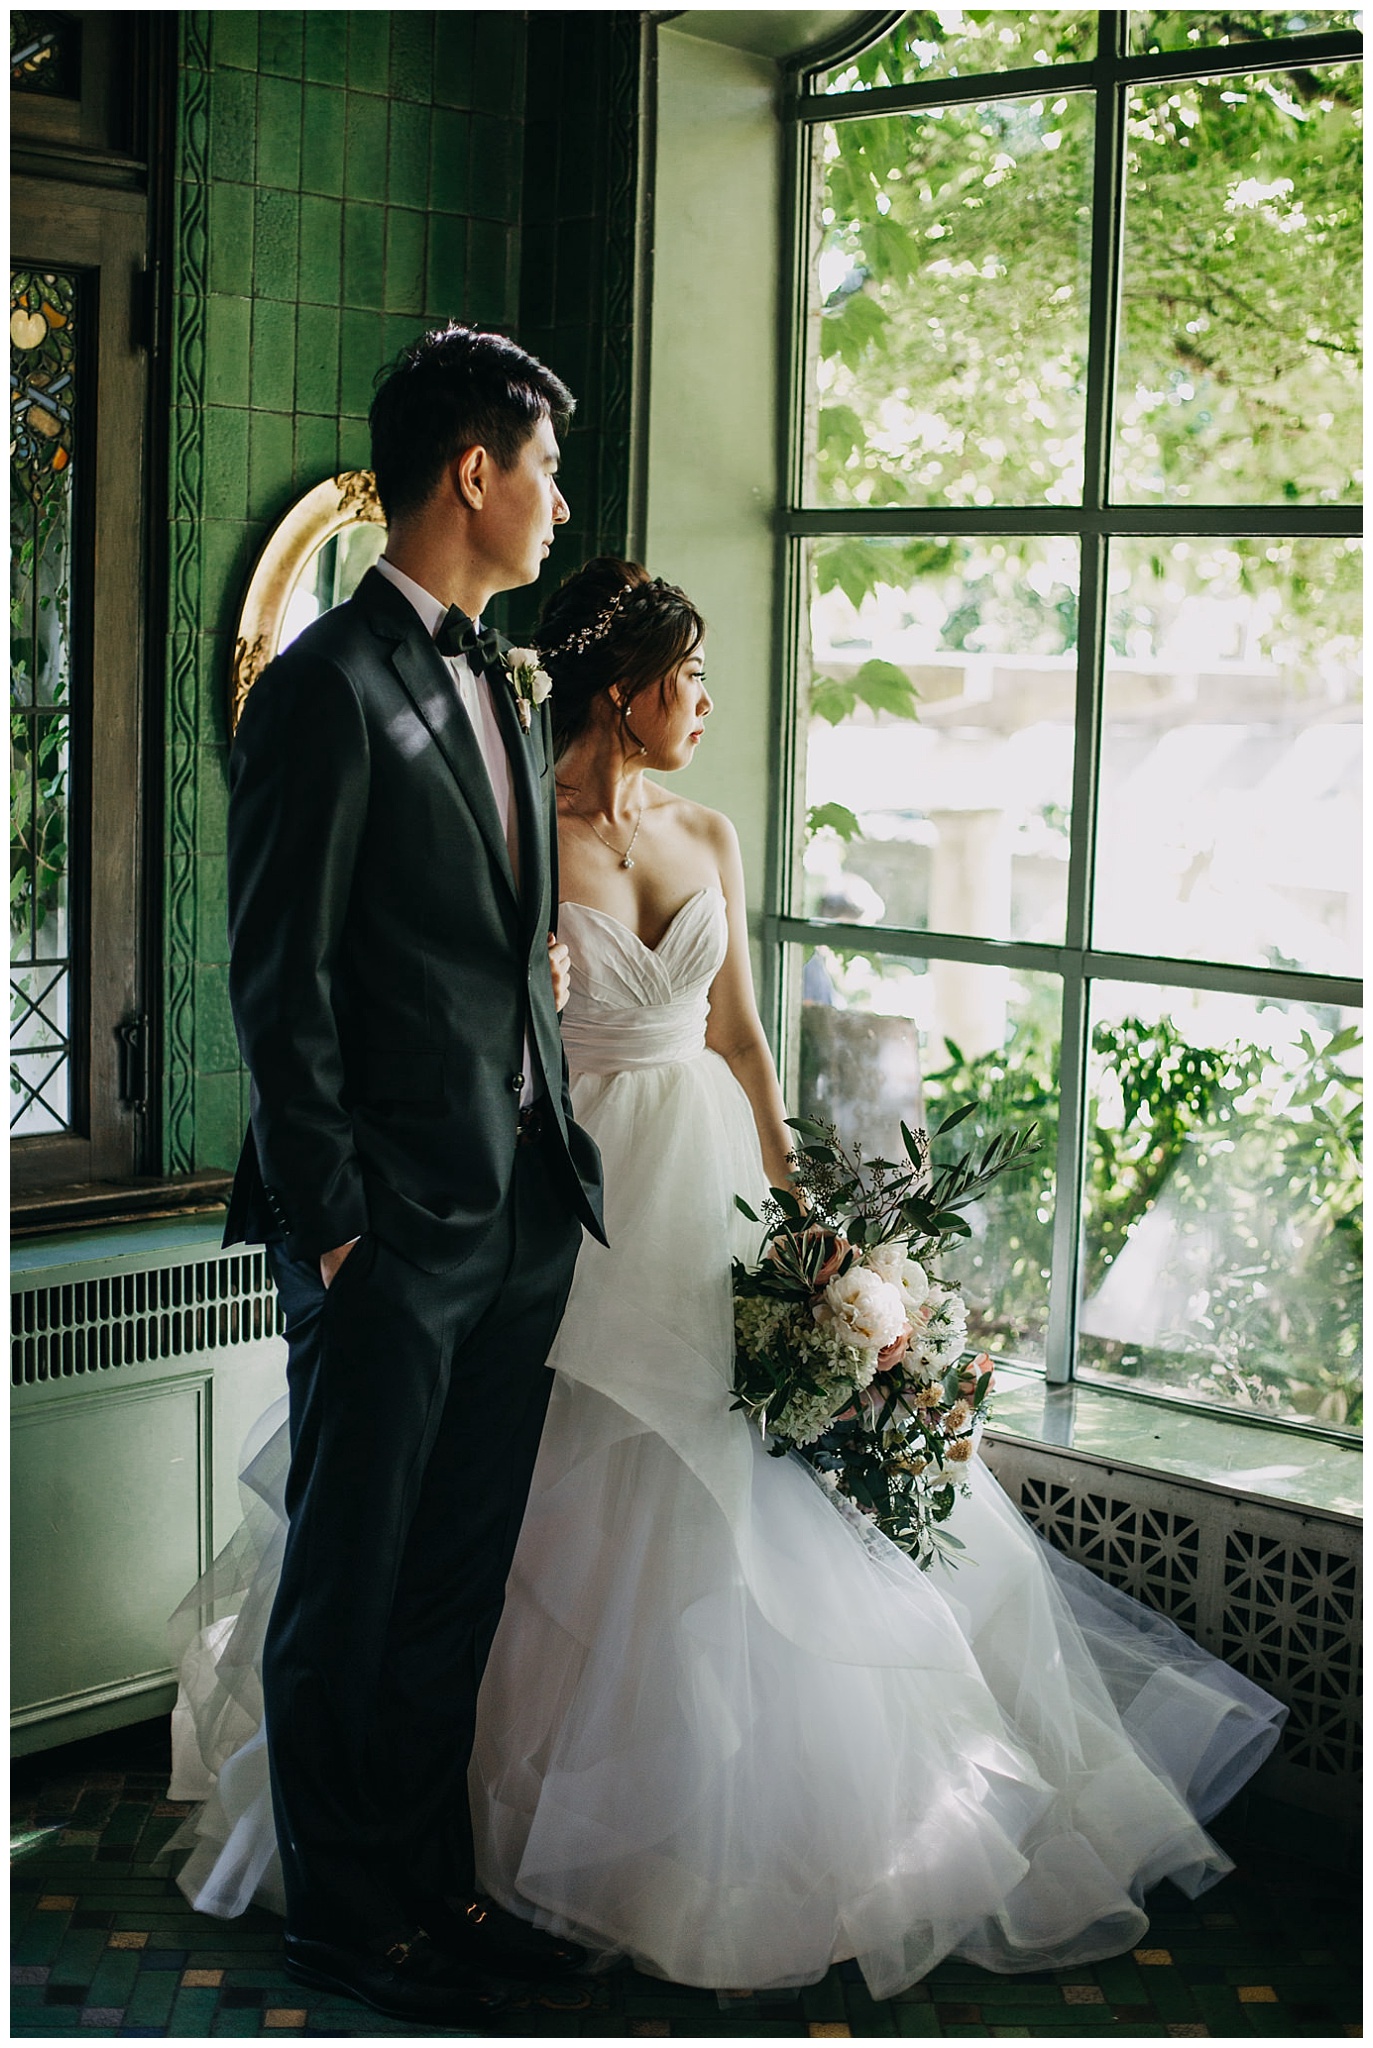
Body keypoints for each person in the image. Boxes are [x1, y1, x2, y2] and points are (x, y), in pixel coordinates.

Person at [175, 558, 1285, 2003]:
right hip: (550, 1193)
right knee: (500, 1519)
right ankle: (430, 1860)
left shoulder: (707, 830)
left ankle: (604, 1855)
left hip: (701, 1186)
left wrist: (798, 1223)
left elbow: (746, 1043)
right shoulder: (513, 821)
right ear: (627, 690)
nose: (705, 701)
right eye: (688, 677)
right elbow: (434, 1002)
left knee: (722, 1496)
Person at [213, 323, 605, 2028]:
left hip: (523, 1212)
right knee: (346, 1589)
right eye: (546, 468)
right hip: (389, 1234)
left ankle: (434, 1891)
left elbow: (491, 945)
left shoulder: (507, 678)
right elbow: (275, 985)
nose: (558, 500)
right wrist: (341, 1233)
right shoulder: (321, 692)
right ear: (474, 472)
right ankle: (337, 1920)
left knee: (453, 1584)